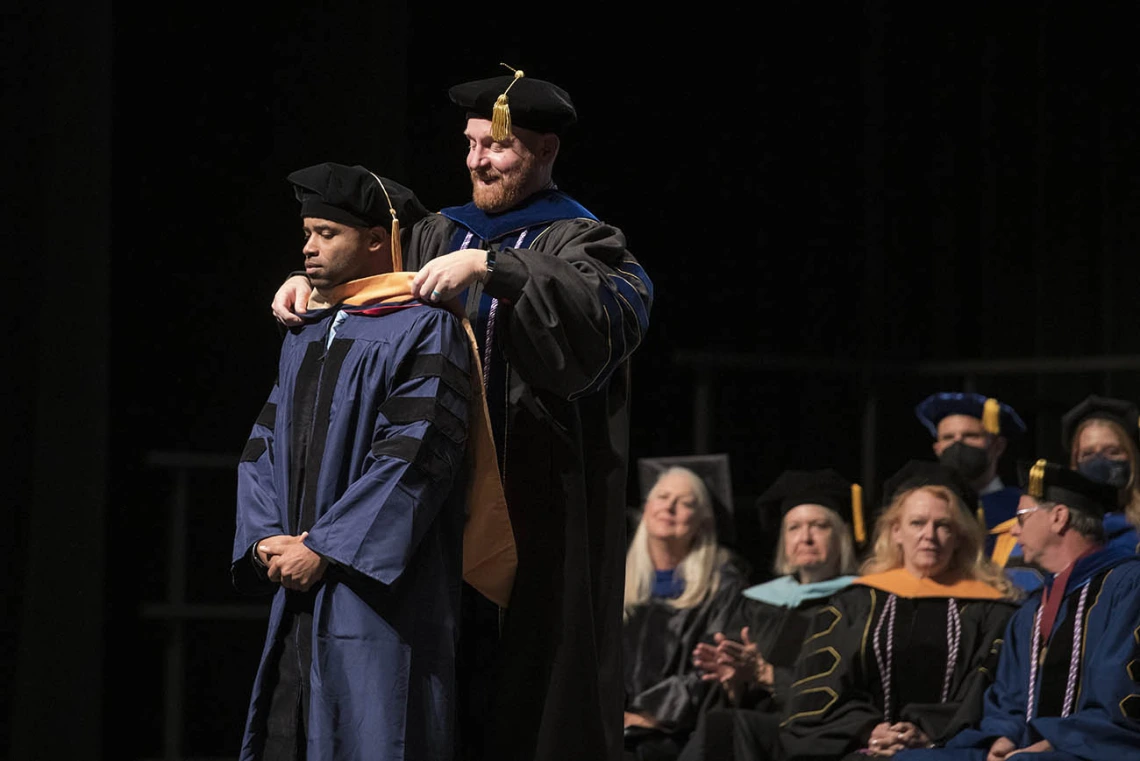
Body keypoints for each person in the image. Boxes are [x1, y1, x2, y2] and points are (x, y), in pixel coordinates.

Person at [271, 68, 654, 761]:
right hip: (435, 508)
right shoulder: (438, 231)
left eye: (498, 148)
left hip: (537, 502)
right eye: (472, 144)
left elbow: (609, 317)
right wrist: (317, 277)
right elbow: (369, 258)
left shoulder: (586, 240)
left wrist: (495, 269)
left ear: (543, 151)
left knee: (528, 690)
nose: (479, 160)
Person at [231, 163, 483, 760]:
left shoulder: (425, 329)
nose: (307, 247)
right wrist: (265, 536)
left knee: (373, 733)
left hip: (376, 592)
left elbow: (417, 453)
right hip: (295, 579)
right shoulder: (308, 329)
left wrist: (325, 547)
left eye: (325, 233)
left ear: (375, 240)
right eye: (307, 233)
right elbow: (264, 440)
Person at [898, 459, 1140, 760]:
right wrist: (1003, 738)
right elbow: (1008, 699)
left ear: (1058, 518)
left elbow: (1121, 695)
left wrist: (1052, 742)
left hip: (1095, 749)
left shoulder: (1128, 586)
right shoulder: (1032, 609)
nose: (1013, 531)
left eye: (1022, 518)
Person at [768, 472, 1017, 760]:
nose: (929, 535)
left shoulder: (992, 611)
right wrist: (869, 730)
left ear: (959, 537)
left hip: (948, 752)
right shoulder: (854, 604)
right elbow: (816, 693)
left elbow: (991, 694)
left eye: (943, 525)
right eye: (917, 523)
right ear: (896, 532)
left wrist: (930, 732)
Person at [678, 469, 862, 761]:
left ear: (841, 536)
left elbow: (850, 691)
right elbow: (726, 691)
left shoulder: (859, 603)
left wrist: (768, 675)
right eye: (794, 527)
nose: (806, 537)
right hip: (753, 730)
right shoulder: (756, 602)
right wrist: (732, 682)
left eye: (819, 526)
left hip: (820, 735)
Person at [622, 466, 749, 761]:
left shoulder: (722, 585)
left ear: (703, 521)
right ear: (646, 508)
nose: (670, 506)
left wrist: (646, 715)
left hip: (676, 734)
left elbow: (714, 666)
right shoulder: (614, 580)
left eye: (686, 502)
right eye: (662, 496)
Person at [915, 392, 1038, 591]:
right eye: (948, 438)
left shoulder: (1020, 511)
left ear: (997, 446)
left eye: (970, 436)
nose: (958, 444)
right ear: (937, 448)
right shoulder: (924, 511)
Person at [1060, 394, 1140, 549]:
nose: (1099, 462)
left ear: (1132, 458)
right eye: (1088, 454)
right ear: (1075, 464)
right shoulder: (1061, 527)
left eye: (1112, 451)